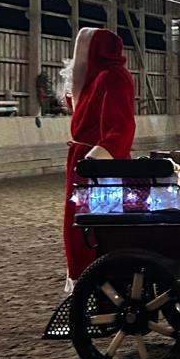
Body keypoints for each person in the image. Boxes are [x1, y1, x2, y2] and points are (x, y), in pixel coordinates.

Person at [63, 27, 136, 287]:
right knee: (80, 224)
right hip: (84, 157)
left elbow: (121, 128)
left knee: (94, 226)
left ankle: (99, 276)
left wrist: (97, 161)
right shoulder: (99, 78)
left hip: (95, 164)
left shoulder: (112, 77)